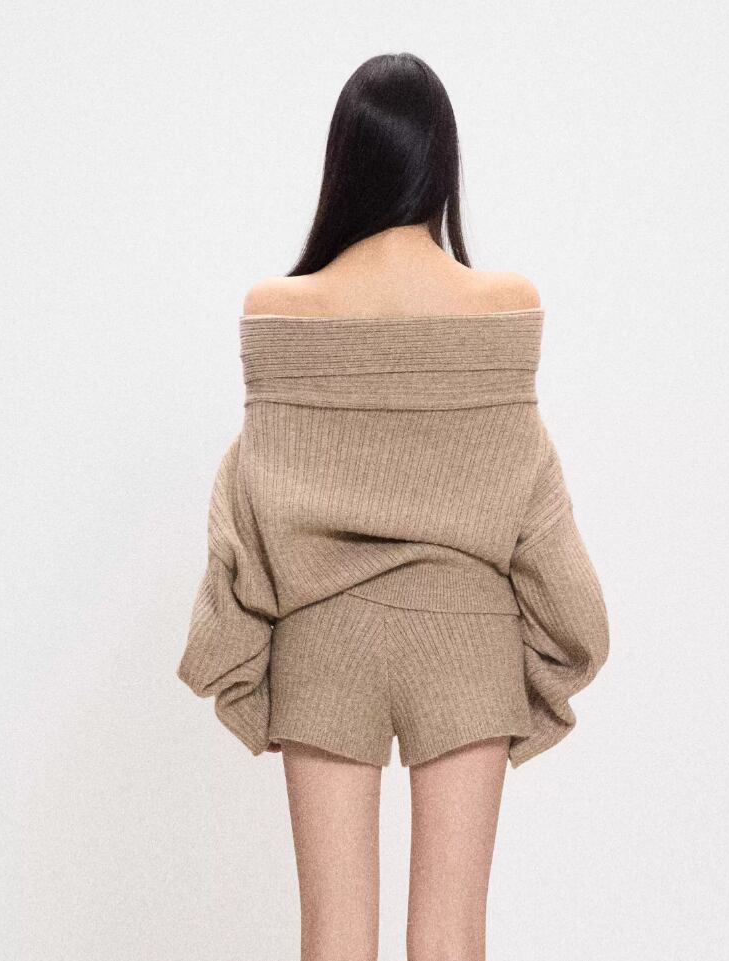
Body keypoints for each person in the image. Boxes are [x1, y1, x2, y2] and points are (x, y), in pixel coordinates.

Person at [176, 51, 610, 961]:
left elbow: (247, 494)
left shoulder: (277, 309)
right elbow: (532, 494)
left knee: (333, 939)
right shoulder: (504, 305)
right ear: (440, 164)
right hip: (467, 634)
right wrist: (572, 637)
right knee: (451, 939)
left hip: (322, 636)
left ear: (344, 163)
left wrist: (233, 635)